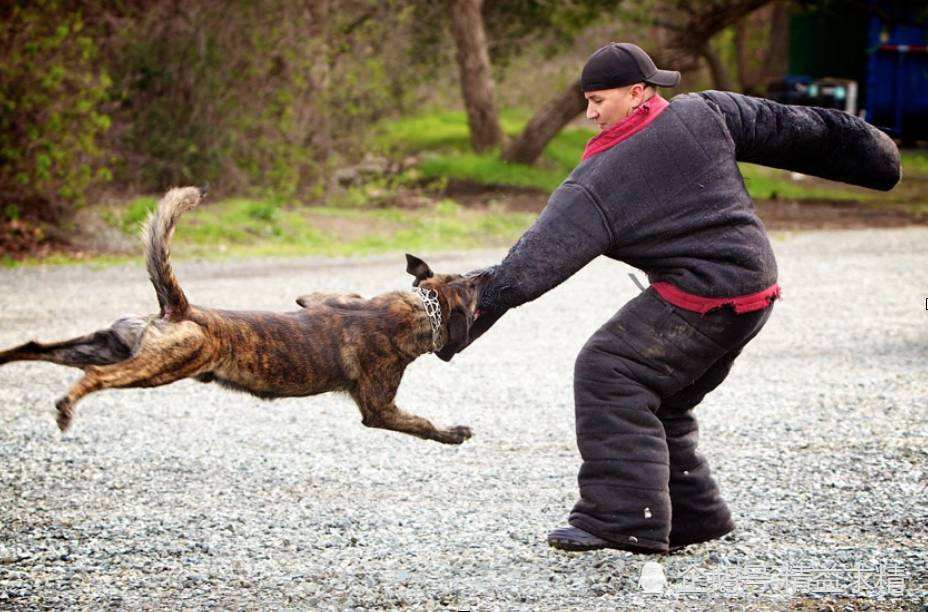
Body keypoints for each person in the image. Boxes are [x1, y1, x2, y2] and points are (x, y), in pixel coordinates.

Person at [437, 42, 901, 553]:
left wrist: (445, 321)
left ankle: (622, 518)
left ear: (638, 93)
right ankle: (695, 515)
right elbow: (795, 130)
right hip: (755, 288)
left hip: (705, 297)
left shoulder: (602, 179)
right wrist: (876, 158)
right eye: (586, 102)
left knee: (610, 370)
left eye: (599, 100)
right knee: (667, 396)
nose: (590, 113)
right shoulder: (707, 112)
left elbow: (526, 271)